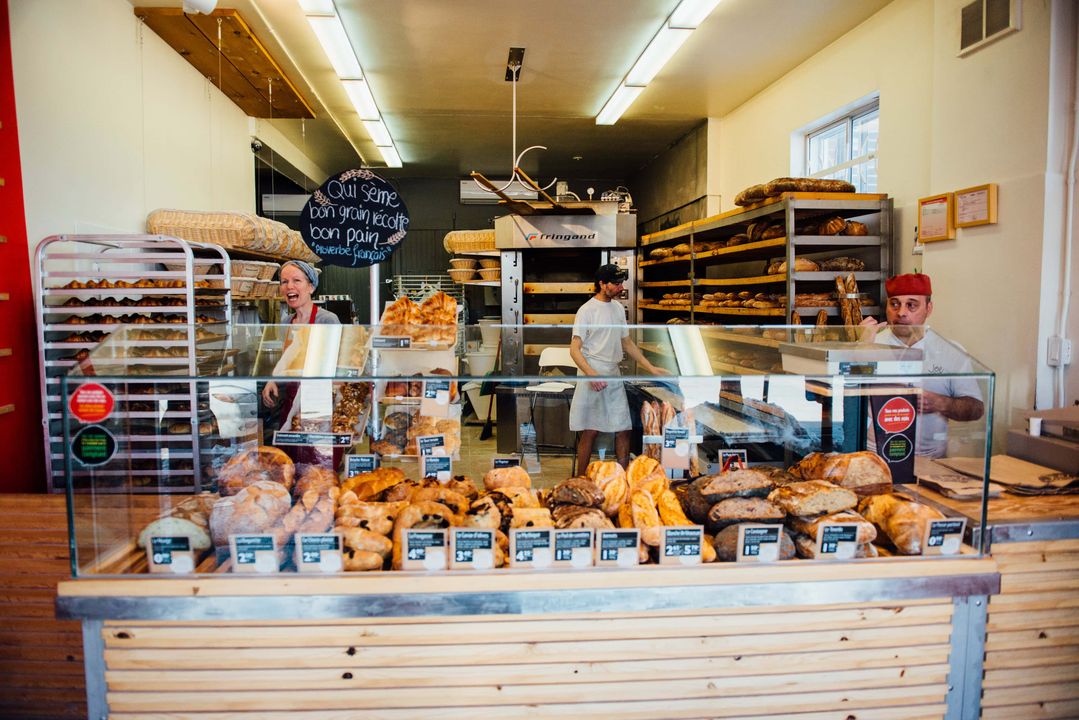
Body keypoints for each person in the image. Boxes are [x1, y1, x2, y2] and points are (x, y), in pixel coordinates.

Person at [860, 272, 984, 458]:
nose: (901, 312)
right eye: (894, 304)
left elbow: (975, 409)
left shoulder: (950, 350)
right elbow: (840, 399)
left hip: (930, 458)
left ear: (929, 308)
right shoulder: (870, 344)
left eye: (911, 305)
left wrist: (940, 403)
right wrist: (858, 348)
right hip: (873, 455)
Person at [569, 263, 668, 470]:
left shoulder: (617, 308)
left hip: (613, 375)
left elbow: (627, 342)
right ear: (602, 284)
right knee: (590, 431)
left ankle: (623, 478)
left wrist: (649, 367)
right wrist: (590, 375)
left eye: (621, 282)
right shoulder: (586, 311)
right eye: (616, 283)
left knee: (623, 428)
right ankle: (580, 479)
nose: (620, 287)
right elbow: (574, 349)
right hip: (593, 374)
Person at [260, 259, 339, 411]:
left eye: (296, 280)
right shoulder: (286, 322)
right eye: (284, 281)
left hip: (319, 401)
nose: (289, 286)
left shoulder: (326, 320)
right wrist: (272, 380)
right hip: (291, 401)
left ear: (311, 287)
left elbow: (337, 365)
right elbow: (284, 362)